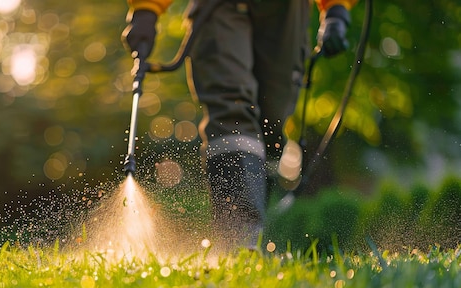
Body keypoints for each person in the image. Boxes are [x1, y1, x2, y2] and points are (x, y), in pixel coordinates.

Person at [122, 0, 357, 249]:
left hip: (287, 11)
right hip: (218, 7)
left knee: (271, 125)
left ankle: (251, 229)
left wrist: (336, 9)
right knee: (230, 108)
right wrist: (147, 9)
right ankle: (240, 240)